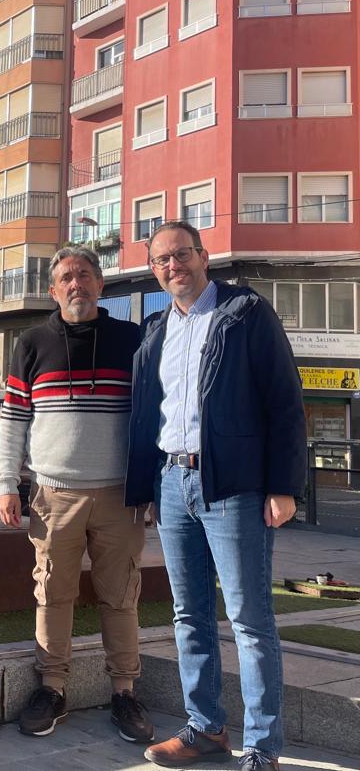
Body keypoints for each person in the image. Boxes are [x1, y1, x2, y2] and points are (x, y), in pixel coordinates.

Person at [126, 221, 305, 771]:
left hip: (233, 485)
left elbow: (283, 399)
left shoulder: (245, 312)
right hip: (173, 483)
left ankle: (263, 747)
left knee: (250, 619)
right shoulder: (156, 327)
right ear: (154, 269)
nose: (172, 265)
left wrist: (283, 486)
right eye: (161, 260)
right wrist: (145, 487)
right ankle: (205, 728)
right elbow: (144, 412)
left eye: (181, 254)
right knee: (189, 614)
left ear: (203, 257)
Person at [0, 245, 153, 743]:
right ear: (53, 289)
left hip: (119, 497)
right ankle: (52, 688)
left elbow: (152, 417)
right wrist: (6, 483)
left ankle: (125, 691)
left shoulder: (132, 339)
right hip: (52, 494)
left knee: (121, 596)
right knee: (52, 592)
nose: (76, 284)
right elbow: (14, 419)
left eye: (85, 275)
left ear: (101, 284)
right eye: (66, 277)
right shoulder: (32, 342)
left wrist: (148, 485)